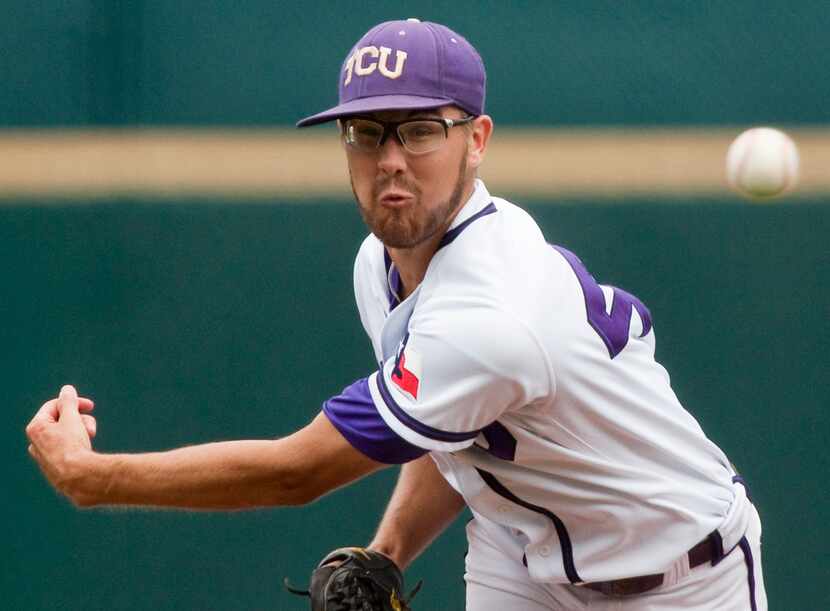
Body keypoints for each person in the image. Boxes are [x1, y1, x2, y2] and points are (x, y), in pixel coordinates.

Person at [26, 18, 766, 610]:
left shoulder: (491, 308)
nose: (390, 160)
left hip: (682, 576)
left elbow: (298, 472)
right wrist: (389, 552)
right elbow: (455, 429)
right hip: (521, 559)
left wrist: (97, 478)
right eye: (367, 131)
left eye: (418, 130)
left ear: (476, 140)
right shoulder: (379, 264)